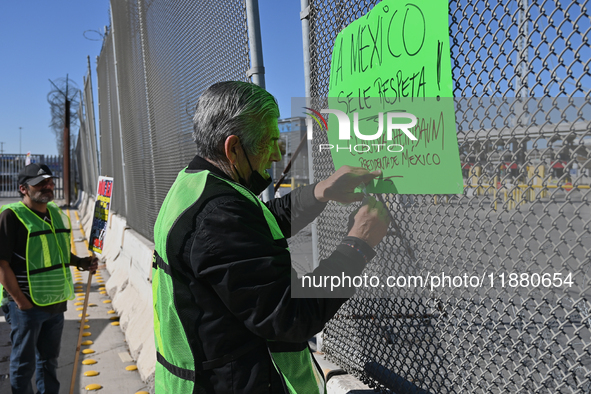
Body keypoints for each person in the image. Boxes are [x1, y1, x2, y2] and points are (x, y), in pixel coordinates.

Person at [152, 81, 390, 393]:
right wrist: (357, 245)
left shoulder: (198, 187)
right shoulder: (218, 217)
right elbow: (292, 314)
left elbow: (256, 230)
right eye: (269, 141)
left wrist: (321, 191)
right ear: (233, 148)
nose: (279, 151)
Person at [0, 163, 98, 394]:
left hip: (55, 302)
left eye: (50, 182)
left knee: (48, 361)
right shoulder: (11, 217)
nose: (48, 186)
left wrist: (82, 262)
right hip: (26, 306)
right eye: (40, 183)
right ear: (24, 189)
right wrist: (21, 302)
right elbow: (1, 263)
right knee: (24, 365)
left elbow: (58, 253)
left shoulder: (55, 213)